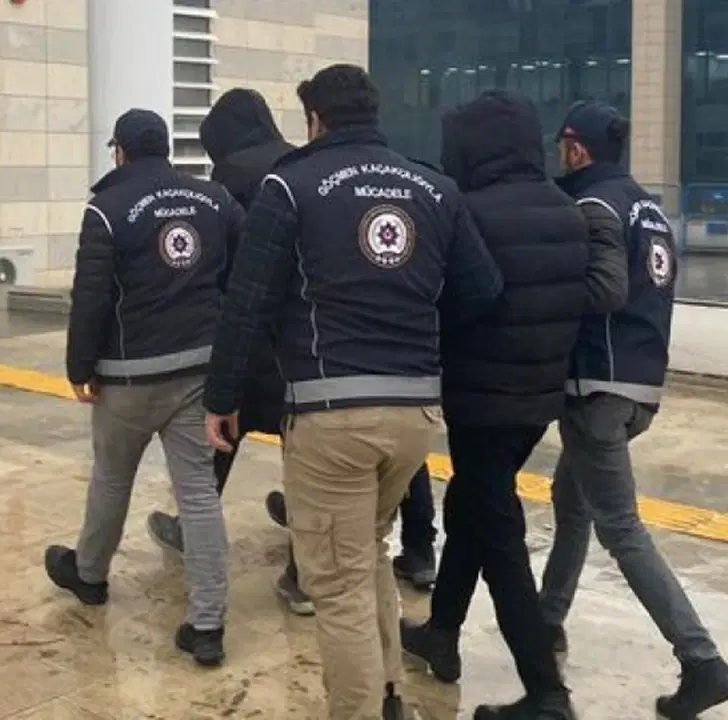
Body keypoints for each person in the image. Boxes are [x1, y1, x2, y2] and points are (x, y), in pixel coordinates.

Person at [202, 64, 503, 720]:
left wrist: (221, 397)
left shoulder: (290, 185)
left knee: (336, 587)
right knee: (364, 554)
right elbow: (482, 290)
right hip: (414, 414)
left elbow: (246, 303)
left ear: (314, 119)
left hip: (333, 416)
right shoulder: (434, 187)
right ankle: (389, 695)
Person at [144, 88, 441, 608]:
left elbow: (237, 280)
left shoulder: (235, 182)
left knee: (225, 431)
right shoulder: (311, 168)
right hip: (339, 348)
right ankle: (418, 550)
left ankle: (202, 530)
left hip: (271, 344)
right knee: (361, 439)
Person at [398, 91, 628, 720]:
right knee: (472, 503)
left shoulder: (467, 211)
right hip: (536, 398)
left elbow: (448, 300)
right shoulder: (567, 211)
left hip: (478, 398)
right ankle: (442, 632)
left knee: (497, 530)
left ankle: (547, 693)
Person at [538, 101, 728, 719]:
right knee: (571, 501)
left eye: (562, 147)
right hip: (640, 383)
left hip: (597, 385)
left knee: (621, 528)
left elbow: (604, 290)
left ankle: (702, 660)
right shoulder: (647, 207)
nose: (559, 157)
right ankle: (547, 621)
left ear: (576, 149)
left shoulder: (593, 204)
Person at [43, 108, 242, 668]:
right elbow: (238, 276)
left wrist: (79, 365)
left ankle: (89, 575)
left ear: (121, 151)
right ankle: (207, 623)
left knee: (112, 476)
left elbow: (91, 295)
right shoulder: (215, 200)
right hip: (199, 369)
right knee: (198, 493)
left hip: (127, 374)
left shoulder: (107, 208)